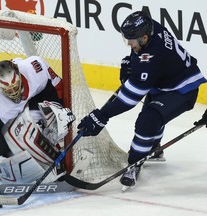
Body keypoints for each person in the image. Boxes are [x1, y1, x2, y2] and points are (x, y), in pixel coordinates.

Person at [77, 11, 207, 188]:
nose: (129, 44)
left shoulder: (153, 55)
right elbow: (141, 58)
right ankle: (153, 148)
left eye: (131, 40)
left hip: (183, 90)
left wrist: (102, 116)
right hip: (165, 81)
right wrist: (131, 61)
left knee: (148, 119)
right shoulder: (150, 29)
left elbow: (130, 98)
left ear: (144, 37)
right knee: (152, 113)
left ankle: (134, 162)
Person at [0, 56, 75, 201]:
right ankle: (10, 156)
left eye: (16, 86)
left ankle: (55, 153)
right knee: (24, 135)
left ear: (19, 74)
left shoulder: (35, 68)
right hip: (6, 119)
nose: (13, 92)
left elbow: (58, 87)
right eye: (8, 89)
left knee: (54, 118)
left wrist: (59, 110)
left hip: (34, 98)